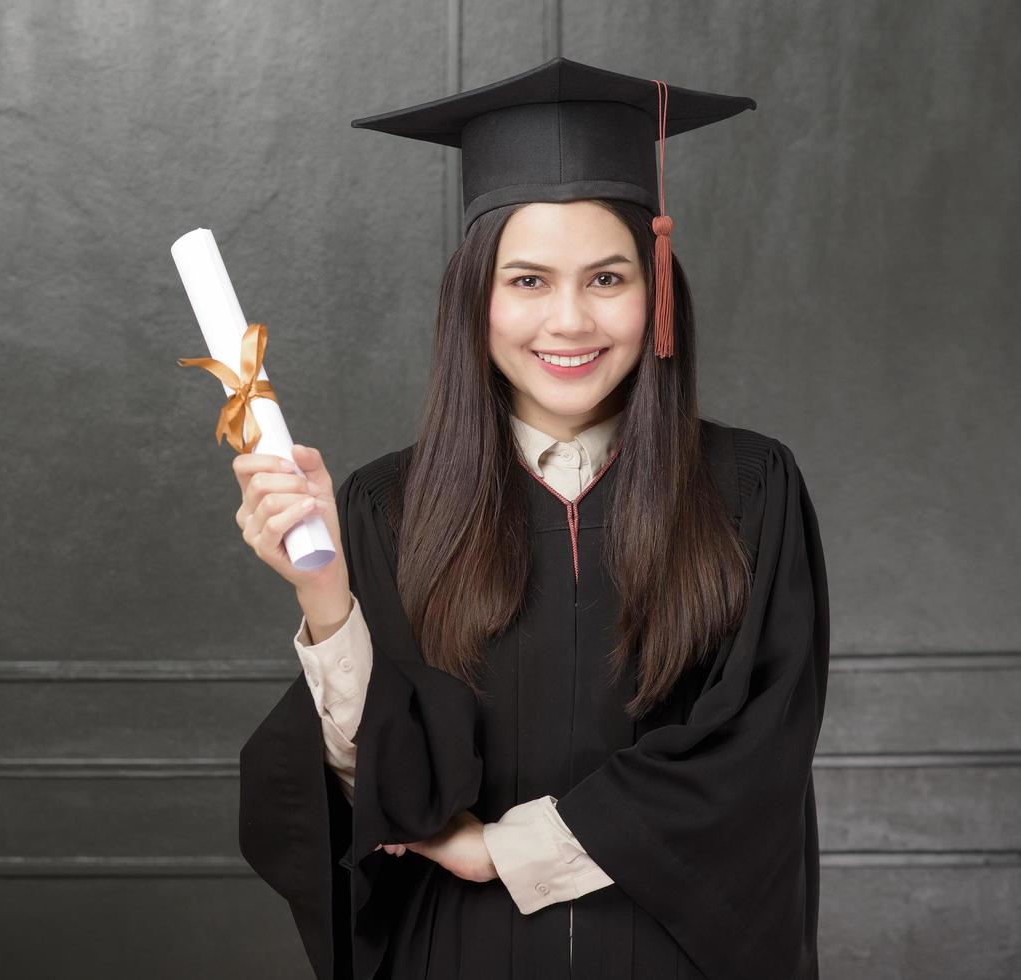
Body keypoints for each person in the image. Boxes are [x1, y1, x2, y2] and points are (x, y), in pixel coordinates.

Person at [231, 57, 830, 980]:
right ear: (475, 297)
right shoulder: (392, 504)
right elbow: (380, 787)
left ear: (657, 287)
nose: (568, 321)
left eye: (605, 279)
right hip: (462, 952)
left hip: (671, 954)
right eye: (527, 281)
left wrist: (509, 850)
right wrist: (324, 596)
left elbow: (755, 753)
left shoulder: (749, 488)